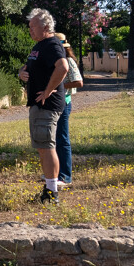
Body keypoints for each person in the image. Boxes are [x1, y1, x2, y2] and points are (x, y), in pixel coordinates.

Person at [18, 9, 69, 203]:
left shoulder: (52, 44)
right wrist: (21, 72)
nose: (30, 30)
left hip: (46, 104)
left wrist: (48, 91)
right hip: (39, 104)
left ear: (46, 27)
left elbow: (63, 67)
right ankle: (49, 187)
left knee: (47, 146)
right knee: (43, 146)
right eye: (29, 26)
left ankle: (51, 191)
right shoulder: (39, 46)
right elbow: (27, 67)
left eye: (33, 26)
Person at [52, 32, 86, 188]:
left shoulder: (69, 61)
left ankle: (65, 176)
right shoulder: (54, 61)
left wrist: (59, 86)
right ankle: (55, 173)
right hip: (54, 103)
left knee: (62, 139)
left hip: (64, 103)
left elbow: (79, 82)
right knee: (54, 139)